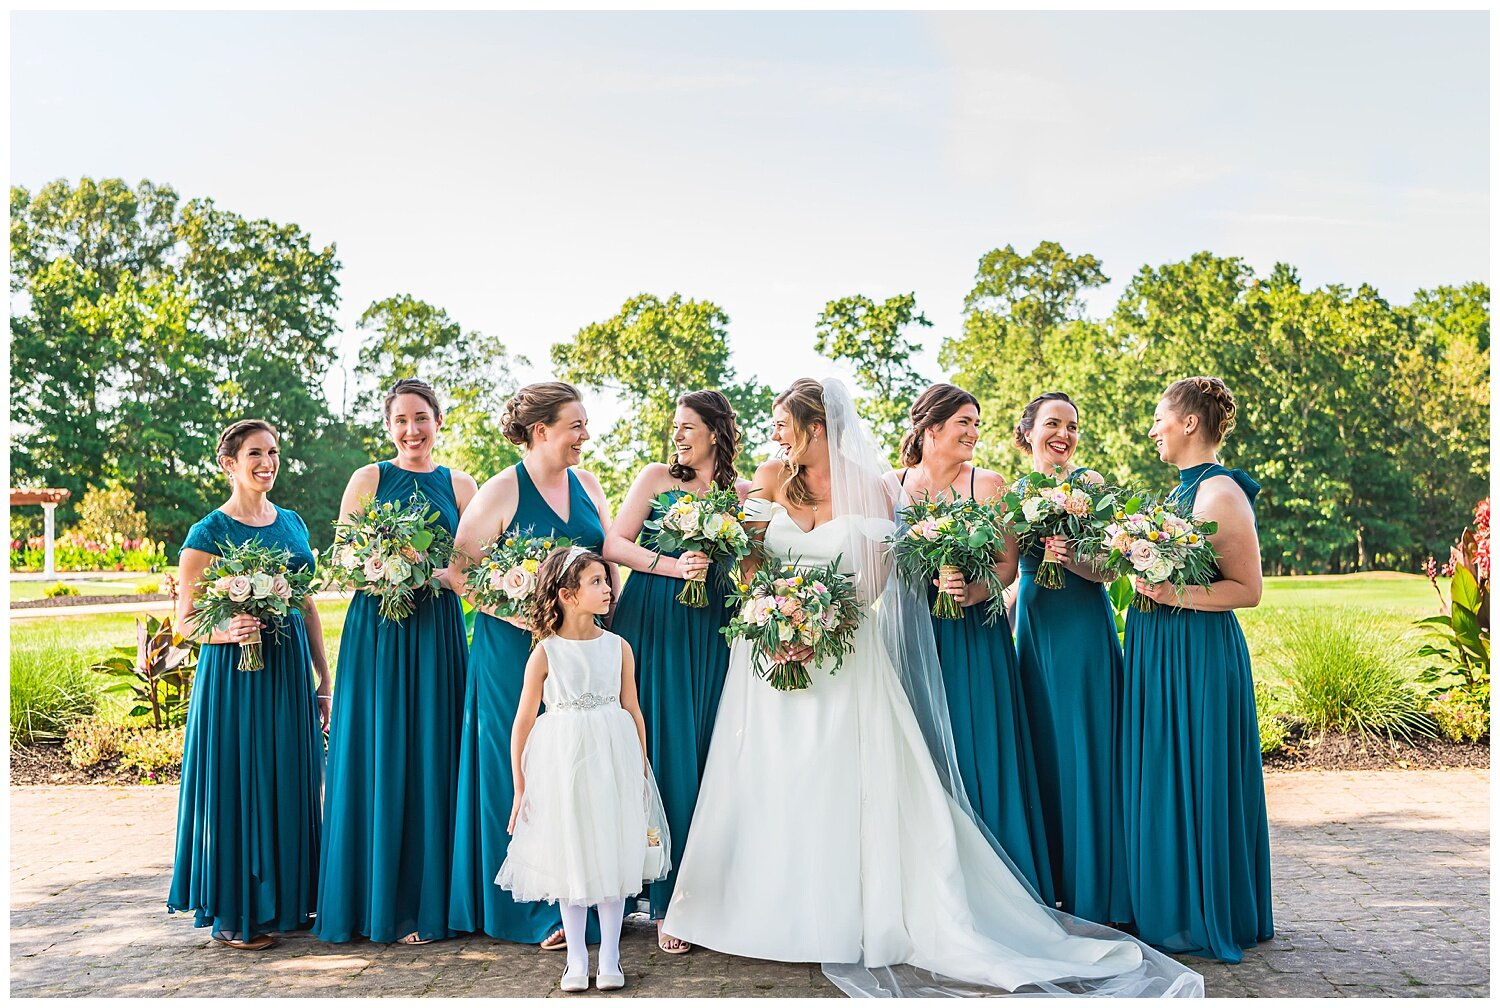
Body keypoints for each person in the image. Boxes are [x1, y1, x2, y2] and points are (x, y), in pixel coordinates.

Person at [663, 379, 1201, 998]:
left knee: (839, 778)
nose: (775, 434)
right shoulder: (768, 478)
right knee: (762, 775)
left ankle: (843, 910)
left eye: (784, 424)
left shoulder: (868, 487)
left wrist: (818, 620)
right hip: (768, 653)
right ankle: (726, 906)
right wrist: (776, 618)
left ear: (815, 428)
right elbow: (753, 563)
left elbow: (873, 584)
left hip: (841, 648)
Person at [448, 381, 613, 950]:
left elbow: (604, 561)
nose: (585, 436)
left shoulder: (588, 485)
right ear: (541, 431)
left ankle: (582, 900)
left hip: (578, 656)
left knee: (577, 769)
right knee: (519, 765)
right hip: (512, 655)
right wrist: (523, 616)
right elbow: (460, 574)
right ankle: (532, 911)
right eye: (576, 426)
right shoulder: (499, 491)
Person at [316, 378, 477, 945]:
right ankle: (377, 903)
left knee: (433, 752)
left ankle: (430, 903)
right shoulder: (369, 478)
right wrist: (385, 569)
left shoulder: (461, 484)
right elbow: (341, 557)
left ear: (438, 421)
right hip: (378, 632)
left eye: (421, 418)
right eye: (401, 420)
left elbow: (471, 564)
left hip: (436, 632)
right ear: (388, 427)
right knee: (378, 751)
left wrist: (433, 573)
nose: (412, 430)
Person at [1122, 376, 1274, 963]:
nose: (1153, 428)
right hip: (1160, 655)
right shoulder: (1178, 495)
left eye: (1160, 417)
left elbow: (1248, 589)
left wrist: (1169, 593)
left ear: (1189, 423)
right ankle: (1170, 900)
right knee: (1166, 770)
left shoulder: (1219, 495)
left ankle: (1201, 908)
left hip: (1197, 659)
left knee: (1198, 771)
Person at [167, 419, 330, 951]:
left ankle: (285, 903)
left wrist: (324, 676)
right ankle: (238, 913)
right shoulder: (207, 532)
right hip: (234, 680)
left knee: (290, 777)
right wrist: (225, 628)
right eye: (255, 453)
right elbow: (184, 622)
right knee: (242, 782)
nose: (268, 462)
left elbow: (306, 603)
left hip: (287, 674)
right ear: (229, 464)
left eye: (274, 452)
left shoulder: (294, 524)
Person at [893, 383, 1053, 903]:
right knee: (919, 753)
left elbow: (1008, 567)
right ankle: (927, 888)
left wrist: (970, 591)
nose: (974, 432)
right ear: (931, 428)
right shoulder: (890, 484)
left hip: (975, 638)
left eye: (977, 423)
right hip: (909, 636)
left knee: (979, 747)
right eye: (964, 422)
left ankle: (999, 886)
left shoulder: (987, 485)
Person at [603, 389, 749, 954]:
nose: (679, 436)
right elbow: (614, 543)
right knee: (659, 745)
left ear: (715, 431)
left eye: (689, 426)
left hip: (712, 623)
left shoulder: (737, 495)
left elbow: (749, 562)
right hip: (656, 620)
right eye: (675, 427)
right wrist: (670, 565)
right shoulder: (655, 479)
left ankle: (705, 893)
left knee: (706, 748)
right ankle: (663, 902)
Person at [496, 547, 669, 993]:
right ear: (568, 595)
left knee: (611, 853)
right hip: (562, 764)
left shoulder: (618, 647)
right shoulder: (546, 653)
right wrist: (520, 786)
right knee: (570, 855)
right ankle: (576, 959)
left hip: (612, 761)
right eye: (597, 582)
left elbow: (632, 709)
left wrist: (642, 771)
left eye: (607, 580)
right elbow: (522, 721)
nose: (609, 588)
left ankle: (610, 957)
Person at [1011, 392, 1133, 926]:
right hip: (1034, 625)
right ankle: (1054, 881)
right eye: (1053, 424)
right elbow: (1009, 572)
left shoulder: (1092, 487)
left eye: (1073, 426)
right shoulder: (1011, 494)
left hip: (1083, 625)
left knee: (1088, 742)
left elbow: (1111, 568)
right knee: (1044, 746)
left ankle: (1098, 886)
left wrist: (1073, 558)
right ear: (1029, 433)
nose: (1064, 434)